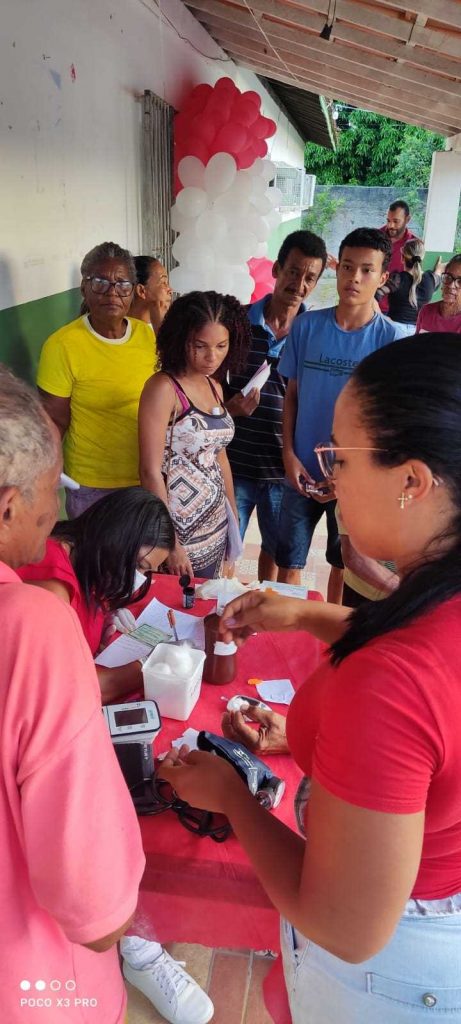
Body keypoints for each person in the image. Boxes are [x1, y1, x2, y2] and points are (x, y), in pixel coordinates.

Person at [159, 332, 461, 1023]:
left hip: (387, 970)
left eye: (341, 456)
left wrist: (232, 797)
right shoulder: (427, 617)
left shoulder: (388, 684)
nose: (329, 476)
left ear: (411, 481)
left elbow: (346, 927)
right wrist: (310, 617)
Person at [0, 366, 144, 1022]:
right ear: (8, 505)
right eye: (50, 491)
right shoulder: (29, 623)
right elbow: (95, 909)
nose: (55, 511)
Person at [275, 227, 406, 591]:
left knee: (344, 565)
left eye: (367, 270)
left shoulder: (391, 339)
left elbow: (387, 421)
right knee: (289, 564)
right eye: (347, 267)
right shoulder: (306, 326)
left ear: (383, 277)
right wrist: (288, 453)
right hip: (300, 469)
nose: (355, 278)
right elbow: (292, 395)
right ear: (337, 269)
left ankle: (329, 644)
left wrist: (349, 474)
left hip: (353, 480)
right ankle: (288, 643)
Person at [224, 230, 327, 582]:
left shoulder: (313, 333)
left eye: (309, 277)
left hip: (282, 469)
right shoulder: (236, 323)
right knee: (226, 550)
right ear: (277, 269)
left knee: (274, 551)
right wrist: (228, 408)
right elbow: (208, 383)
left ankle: (263, 624)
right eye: (293, 272)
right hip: (234, 462)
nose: (299, 284)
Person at [18, 487, 175, 704]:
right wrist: (154, 665)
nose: (138, 579)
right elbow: (72, 690)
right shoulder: (52, 588)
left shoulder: (92, 562)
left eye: (147, 572)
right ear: (114, 536)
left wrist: (95, 629)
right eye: (139, 565)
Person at [37, 241, 158, 518]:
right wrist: (46, 479)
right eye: (100, 282)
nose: (112, 293)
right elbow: (54, 422)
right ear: (84, 288)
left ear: (133, 291)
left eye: (122, 284)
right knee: (95, 561)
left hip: (147, 477)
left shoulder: (148, 336)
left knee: (142, 560)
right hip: (91, 487)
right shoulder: (62, 345)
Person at [139, 291, 251, 579]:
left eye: (221, 346)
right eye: (199, 346)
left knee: (205, 606)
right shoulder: (163, 388)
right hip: (178, 530)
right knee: (175, 611)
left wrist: (233, 516)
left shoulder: (214, 385)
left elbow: (220, 456)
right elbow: (150, 471)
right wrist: (171, 543)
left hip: (216, 524)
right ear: (180, 340)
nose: (211, 356)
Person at [377, 237, 442, 334]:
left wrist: (383, 319)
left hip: (393, 330)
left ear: (402, 258)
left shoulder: (396, 279)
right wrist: (439, 269)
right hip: (417, 333)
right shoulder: (430, 280)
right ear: (422, 258)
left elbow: (375, 296)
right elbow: (438, 274)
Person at [378, 199, 415, 312]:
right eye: (388, 220)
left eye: (396, 221)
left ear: (407, 219)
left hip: (397, 311)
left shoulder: (414, 245)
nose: (390, 225)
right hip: (371, 304)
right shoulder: (376, 236)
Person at [416, 252, 461, 334]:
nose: (451, 285)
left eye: (460, 281)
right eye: (448, 277)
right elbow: (416, 344)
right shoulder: (426, 311)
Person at [130, 255, 173, 333]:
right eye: (163, 282)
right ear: (141, 291)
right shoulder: (119, 332)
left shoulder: (174, 329)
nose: (170, 290)